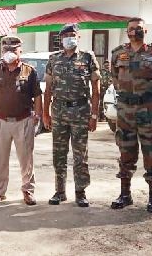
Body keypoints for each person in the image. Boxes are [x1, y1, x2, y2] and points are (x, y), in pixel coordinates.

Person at [110, 17, 152, 213]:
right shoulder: (118, 53)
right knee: (125, 151)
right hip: (125, 109)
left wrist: (147, 96)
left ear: (146, 31)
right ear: (126, 31)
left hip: (148, 109)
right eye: (131, 28)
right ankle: (125, 195)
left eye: (138, 28)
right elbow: (114, 77)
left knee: (151, 151)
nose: (134, 31)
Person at [42, 24, 100, 207]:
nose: (69, 38)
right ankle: (60, 192)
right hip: (58, 112)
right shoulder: (54, 59)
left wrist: (94, 115)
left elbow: (96, 88)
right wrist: (45, 113)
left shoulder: (88, 57)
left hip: (80, 112)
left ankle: (80, 192)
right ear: (61, 39)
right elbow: (48, 89)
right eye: (66, 35)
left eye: (72, 35)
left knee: (80, 155)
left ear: (78, 37)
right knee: (59, 154)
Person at [0, 36, 43, 206]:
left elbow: (37, 95)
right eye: (6, 50)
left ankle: (28, 191)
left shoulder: (29, 71)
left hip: (23, 121)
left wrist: (37, 116)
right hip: (0, 121)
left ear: (20, 51)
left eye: (13, 50)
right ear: (2, 51)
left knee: (26, 159)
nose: (9, 53)